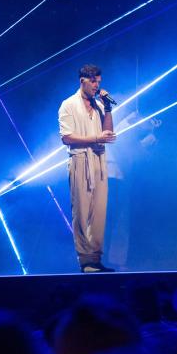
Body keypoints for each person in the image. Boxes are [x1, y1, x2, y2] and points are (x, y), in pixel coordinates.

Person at [58, 64, 116, 272]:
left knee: (99, 211)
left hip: (99, 159)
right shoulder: (68, 104)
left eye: (99, 82)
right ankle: (85, 261)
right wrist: (95, 138)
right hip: (80, 160)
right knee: (82, 212)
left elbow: (108, 132)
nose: (97, 85)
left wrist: (108, 108)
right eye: (93, 81)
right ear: (82, 80)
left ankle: (96, 259)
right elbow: (66, 137)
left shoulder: (100, 105)